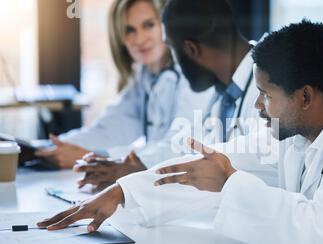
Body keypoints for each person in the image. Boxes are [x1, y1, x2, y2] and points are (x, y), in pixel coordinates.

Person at [37, 20, 323, 244]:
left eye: (266, 96)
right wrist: (123, 192)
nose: (257, 106)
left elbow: (316, 230)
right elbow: (214, 164)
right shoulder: (295, 133)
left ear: (305, 96)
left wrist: (230, 182)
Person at [72, 0, 265, 192]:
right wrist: (132, 173)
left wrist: (131, 181)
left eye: (172, 50)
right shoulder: (221, 92)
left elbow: (242, 173)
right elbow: (185, 148)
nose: (139, 39)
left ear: (191, 50)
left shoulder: (266, 92)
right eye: (130, 30)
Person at [35, 0, 210, 170]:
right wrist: (52, 147)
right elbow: (109, 129)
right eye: (129, 30)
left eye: (149, 25)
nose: (139, 39)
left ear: (166, 25)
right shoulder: (144, 76)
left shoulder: (192, 75)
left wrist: (93, 156)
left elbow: (178, 147)